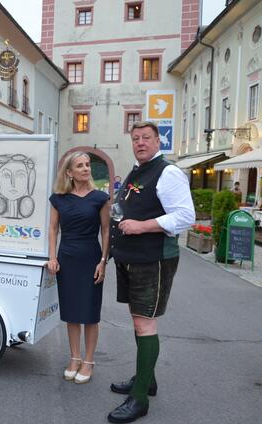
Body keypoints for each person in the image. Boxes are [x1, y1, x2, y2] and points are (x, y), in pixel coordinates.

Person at [107, 121, 195, 423]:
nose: (140, 143)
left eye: (146, 138)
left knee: (145, 324)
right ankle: (147, 380)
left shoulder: (168, 172)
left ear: (159, 142)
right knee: (138, 320)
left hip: (152, 259)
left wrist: (142, 225)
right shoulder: (137, 170)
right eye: (135, 138)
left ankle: (140, 399)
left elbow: (186, 216)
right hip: (131, 257)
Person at [45, 151, 110, 384]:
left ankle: (89, 361)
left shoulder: (100, 198)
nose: (86, 168)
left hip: (91, 259)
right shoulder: (58, 199)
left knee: (90, 314)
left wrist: (103, 261)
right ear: (69, 173)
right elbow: (53, 229)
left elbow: (106, 231)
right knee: (72, 313)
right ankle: (74, 358)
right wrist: (52, 257)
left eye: (88, 165)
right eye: (80, 166)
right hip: (67, 259)